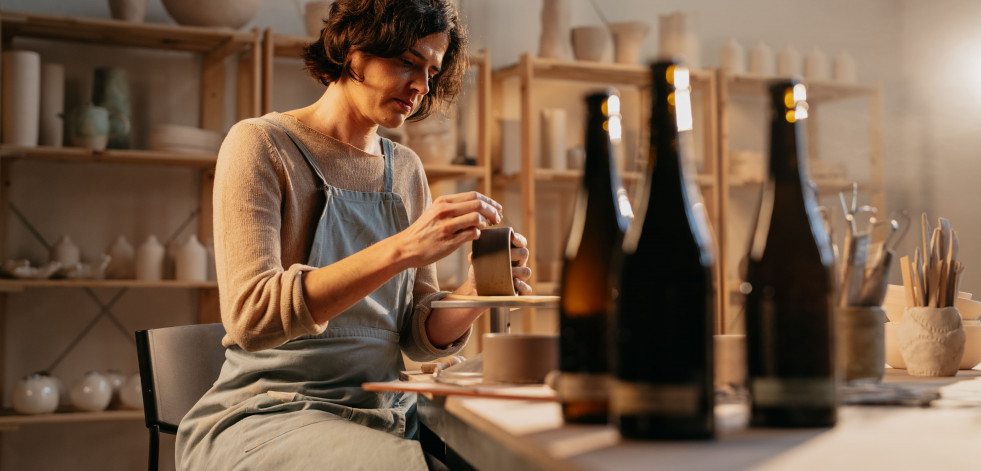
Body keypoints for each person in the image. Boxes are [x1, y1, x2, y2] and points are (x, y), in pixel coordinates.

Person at [174, 1, 531, 469]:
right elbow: (250, 315)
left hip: (386, 409)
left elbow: (416, 337)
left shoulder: (405, 168)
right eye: (407, 62)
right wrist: (402, 249)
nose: (422, 87)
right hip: (271, 412)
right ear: (353, 49)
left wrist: (475, 293)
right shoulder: (261, 145)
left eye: (431, 71)